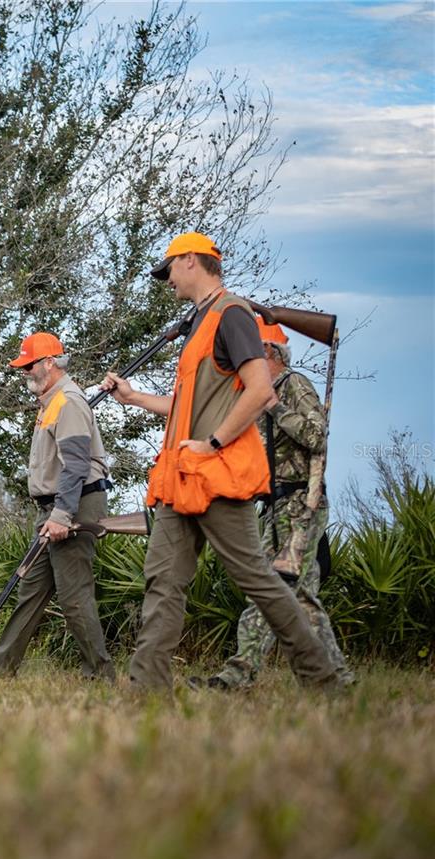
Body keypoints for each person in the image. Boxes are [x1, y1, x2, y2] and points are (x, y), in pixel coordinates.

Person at [98, 232, 343, 691]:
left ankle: (324, 679)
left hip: (216, 475)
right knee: (163, 581)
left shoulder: (231, 314)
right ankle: (146, 690)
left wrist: (212, 443)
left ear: (191, 261)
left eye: (169, 267)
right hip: (181, 480)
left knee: (259, 581)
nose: (166, 279)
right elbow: (187, 405)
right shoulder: (202, 321)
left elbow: (261, 391)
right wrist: (132, 398)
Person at [204, 321, 354, 688]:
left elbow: (317, 436)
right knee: (300, 598)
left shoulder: (294, 386)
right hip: (275, 506)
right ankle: (336, 679)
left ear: (268, 355)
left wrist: (275, 409)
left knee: (272, 588)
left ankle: (237, 675)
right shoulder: (256, 394)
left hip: (302, 502)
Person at [0, 332, 114, 678]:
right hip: (56, 507)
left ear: (49, 363)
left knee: (74, 596)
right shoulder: (51, 402)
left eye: (29, 365)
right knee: (30, 589)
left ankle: (100, 676)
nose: (25, 371)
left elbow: (75, 466)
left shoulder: (68, 402)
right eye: (23, 366)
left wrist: (61, 515)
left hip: (73, 505)